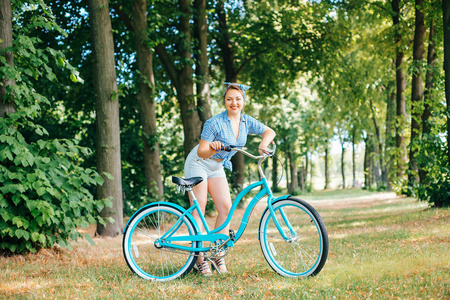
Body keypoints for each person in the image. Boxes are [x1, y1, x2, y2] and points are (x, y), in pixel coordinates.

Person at [184, 83, 276, 276]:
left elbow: (269, 131)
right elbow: (201, 150)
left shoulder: (245, 121)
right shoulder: (214, 123)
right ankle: (198, 259)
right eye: (229, 99)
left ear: (243, 101)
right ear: (224, 102)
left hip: (217, 167)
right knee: (199, 207)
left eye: (238, 99)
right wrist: (212, 148)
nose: (234, 103)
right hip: (199, 162)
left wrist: (263, 144)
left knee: (225, 208)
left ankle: (217, 254)